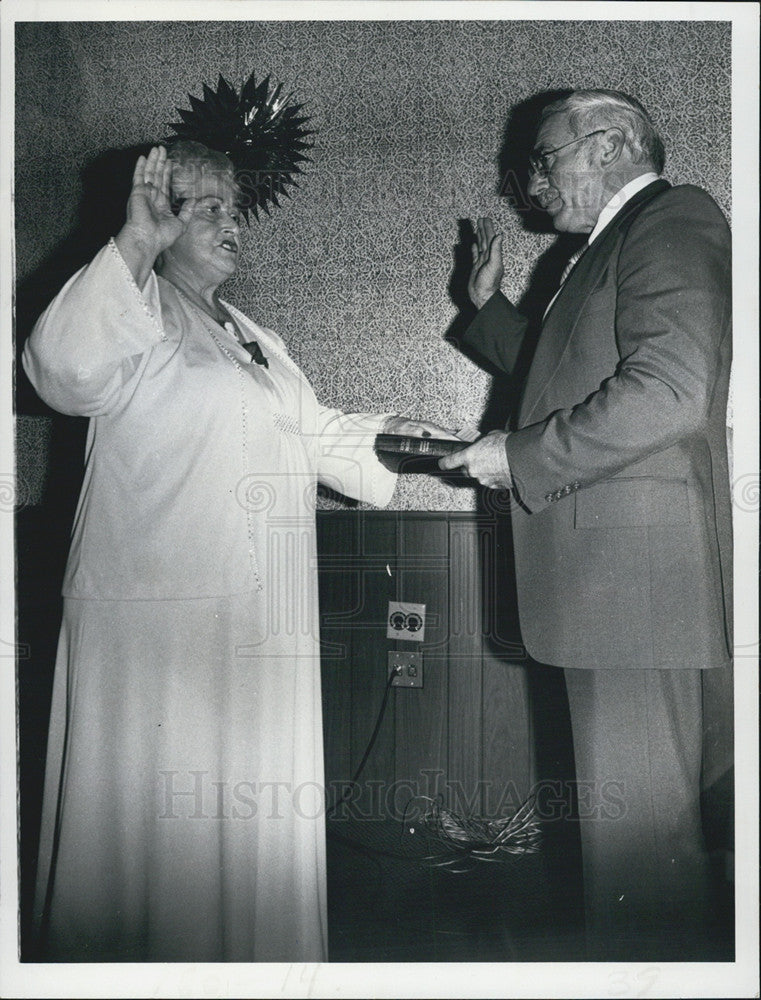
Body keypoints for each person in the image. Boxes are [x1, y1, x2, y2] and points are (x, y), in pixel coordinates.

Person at [23, 141, 451, 962]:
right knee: (160, 840)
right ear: (156, 213)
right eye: (207, 205)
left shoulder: (254, 334)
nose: (233, 223)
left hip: (259, 616)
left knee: (248, 833)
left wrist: (411, 440)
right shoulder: (127, 303)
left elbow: (316, 433)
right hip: (161, 624)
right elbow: (59, 374)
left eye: (233, 207)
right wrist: (134, 247)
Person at [439, 90, 732, 961]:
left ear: (608, 143)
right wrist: (486, 309)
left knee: (643, 853)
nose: (530, 183)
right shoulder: (608, 245)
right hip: (623, 590)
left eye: (542, 157)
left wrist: (516, 457)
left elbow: (669, 392)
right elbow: (565, 374)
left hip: (635, 592)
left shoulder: (669, 217)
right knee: (650, 841)